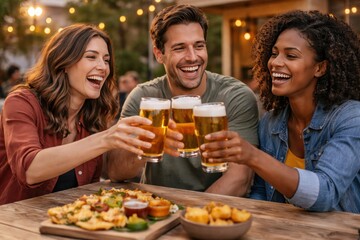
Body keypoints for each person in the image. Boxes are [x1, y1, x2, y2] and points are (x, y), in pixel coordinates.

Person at [200, 10, 360, 213]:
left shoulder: (351, 118)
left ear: (320, 68)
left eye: (291, 56)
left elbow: (325, 193)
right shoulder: (272, 123)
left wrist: (253, 156)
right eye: (274, 53)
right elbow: (261, 193)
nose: (275, 63)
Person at [106, 4, 259, 197]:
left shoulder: (235, 96)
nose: (193, 57)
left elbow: (239, 180)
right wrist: (150, 142)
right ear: (159, 54)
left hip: (212, 217)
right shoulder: (143, 98)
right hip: (156, 213)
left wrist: (188, 217)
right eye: (180, 48)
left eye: (199, 46)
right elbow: (116, 172)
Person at [0, 24, 155, 205]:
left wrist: (144, 146)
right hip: (14, 226)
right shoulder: (22, 102)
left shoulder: (93, 114)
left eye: (106, 60)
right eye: (91, 57)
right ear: (64, 62)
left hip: (70, 222)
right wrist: (105, 139)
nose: (103, 67)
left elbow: (112, 173)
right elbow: (29, 170)